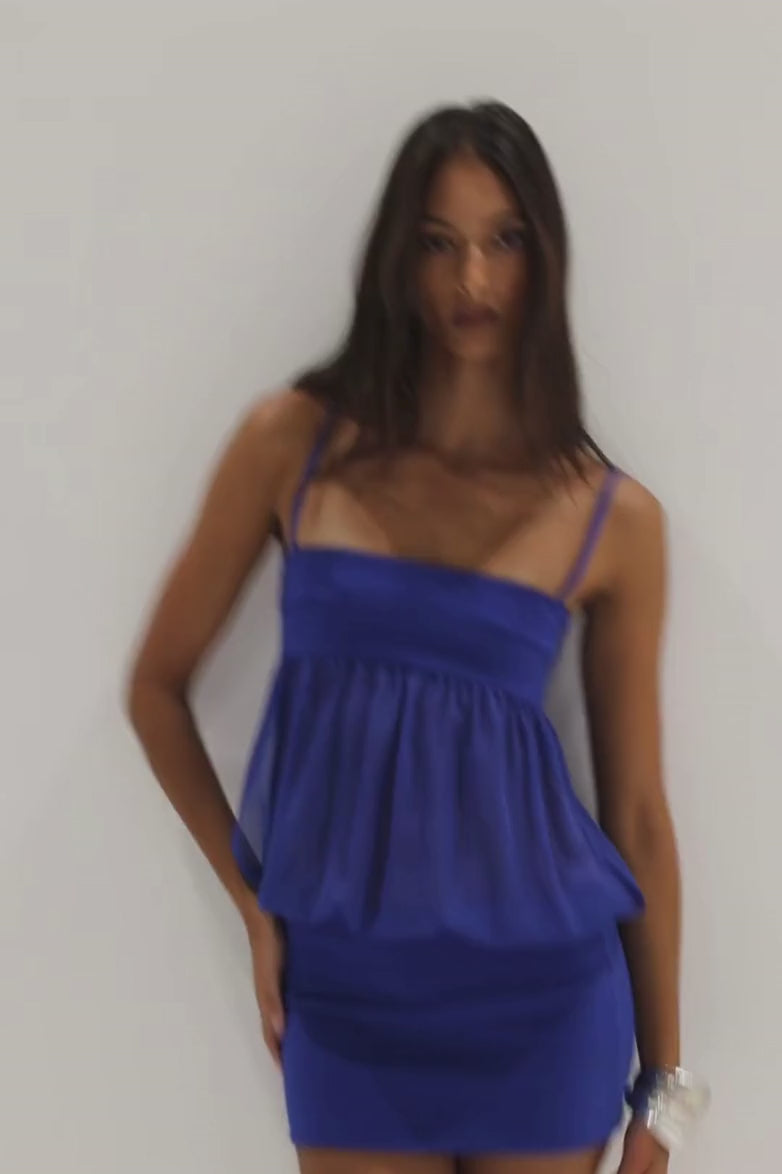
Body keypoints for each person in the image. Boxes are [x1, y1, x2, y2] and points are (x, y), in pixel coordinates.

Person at [126, 101, 708, 1174]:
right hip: (345, 1002)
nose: (471, 280)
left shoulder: (609, 517)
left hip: (546, 1006)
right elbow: (155, 689)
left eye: (503, 240)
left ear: (544, 259)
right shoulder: (289, 445)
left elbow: (635, 813)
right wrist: (253, 907)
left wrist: (662, 1097)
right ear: (397, 255)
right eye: (439, 243)